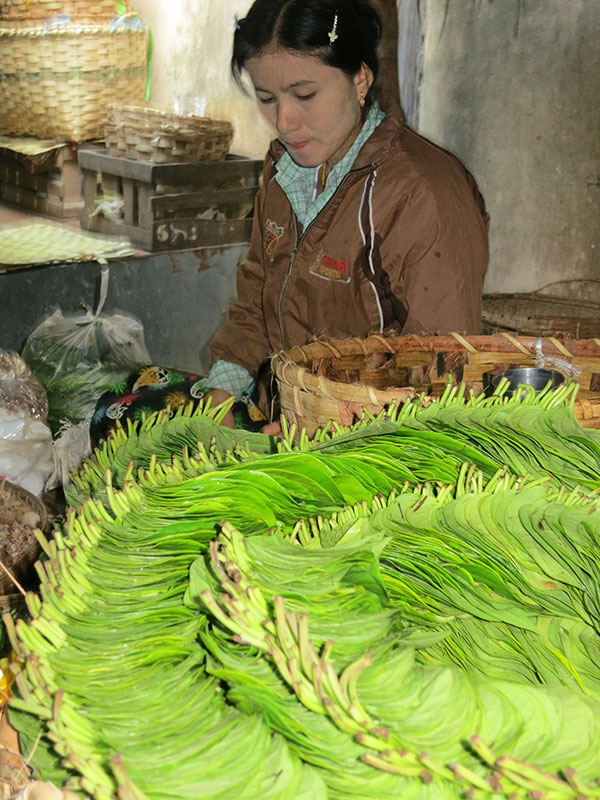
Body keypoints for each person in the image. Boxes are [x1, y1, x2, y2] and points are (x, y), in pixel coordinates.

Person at [206, 0, 489, 430]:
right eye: (266, 98)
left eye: (305, 96)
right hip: (291, 413)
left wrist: (329, 428)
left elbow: (444, 372)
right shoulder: (285, 172)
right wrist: (220, 398)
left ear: (360, 79)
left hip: (382, 440)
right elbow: (257, 302)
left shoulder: (421, 192)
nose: (284, 120)